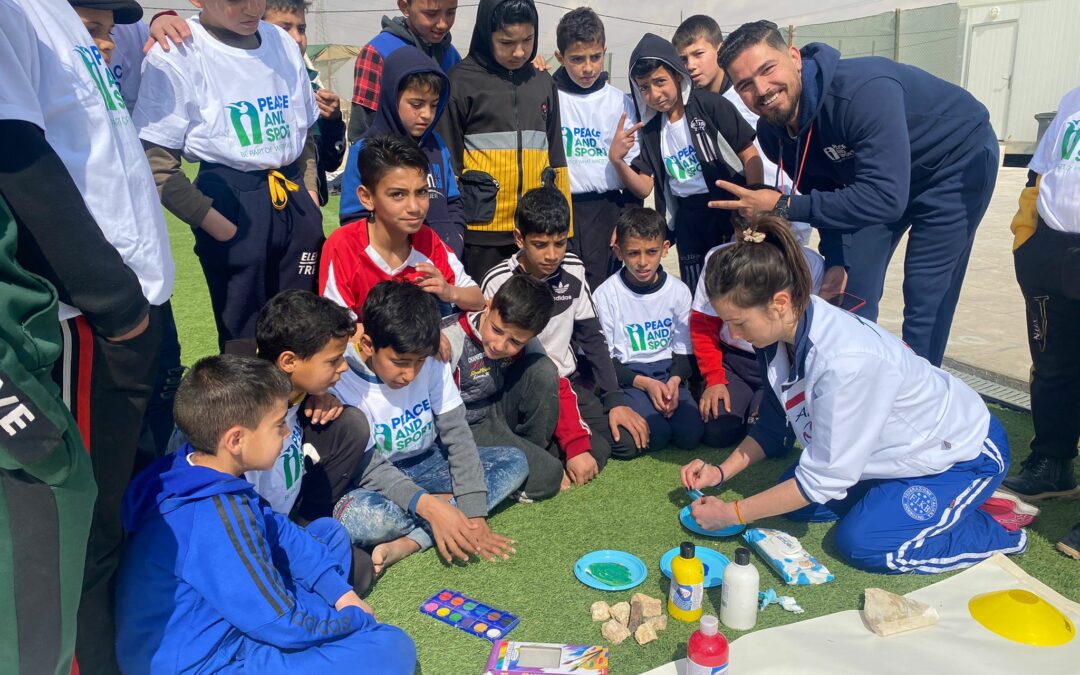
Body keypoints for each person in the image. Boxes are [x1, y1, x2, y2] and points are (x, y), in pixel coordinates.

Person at [680, 214, 1026, 574]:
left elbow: (821, 479)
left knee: (862, 543)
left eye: (739, 322)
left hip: (959, 454)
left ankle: (995, 528)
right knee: (792, 499)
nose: (733, 335)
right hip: (888, 454)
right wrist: (721, 473)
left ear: (779, 302)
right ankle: (910, 503)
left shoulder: (844, 361)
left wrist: (732, 513)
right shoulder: (779, 334)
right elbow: (771, 424)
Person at [3, 0, 176, 670]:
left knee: (107, 528)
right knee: (75, 536)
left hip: (127, 308)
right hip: (88, 320)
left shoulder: (65, 17)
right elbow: (16, 159)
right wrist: (115, 305)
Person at [714, 20, 1000, 367]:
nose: (761, 89)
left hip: (952, 162)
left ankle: (917, 400)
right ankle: (851, 380)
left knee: (925, 293)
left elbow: (885, 198)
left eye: (767, 69)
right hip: (875, 181)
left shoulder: (862, 92)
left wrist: (783, 205)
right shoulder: (775, 134)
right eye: (745, 84)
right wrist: (837, 259)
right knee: (849, 292)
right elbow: (828, 194)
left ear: (794, 56)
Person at [115, 356, 417, 674]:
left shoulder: (196, 468)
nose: (287, 433)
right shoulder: (215, 516)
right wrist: (355, 620)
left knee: (329, 533)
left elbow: (280, 532)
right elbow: (279, 620)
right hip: (209, 662)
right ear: (235, 440)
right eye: (277, 425)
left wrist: (341, 594)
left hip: (229, 622)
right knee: (391, 648)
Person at [134, 0, 322, 351]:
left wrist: (308, 194)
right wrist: (213, 222)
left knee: (305, 324)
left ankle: (304, 404)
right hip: (230, 197)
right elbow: (155, 162)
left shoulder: (281, 42)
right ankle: (252, 406)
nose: (252, 8)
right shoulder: (179, 51)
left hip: (290, 190)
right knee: (243, 336)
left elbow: (305, 131)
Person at [333, 281, 528, 574]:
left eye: (418, 362)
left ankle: (413, 540)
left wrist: (474, 515)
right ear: (368, 345)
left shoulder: (433, 359)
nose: (410, 374)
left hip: (429, 464)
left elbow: (457, 436)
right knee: (358, 520)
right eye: (399, 362)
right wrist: (431, 507)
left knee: (515, 463)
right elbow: (369, 468)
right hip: (374, 482)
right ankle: (443, 512)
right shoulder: (342, 376)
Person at [482, 181, 650, 473]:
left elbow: (593, 339)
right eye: (540, 244)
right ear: (519, 238)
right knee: (592, 449)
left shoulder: (573, 269)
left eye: (559, 243)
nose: (552, 255)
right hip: (524, 392)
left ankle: (560, 448)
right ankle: (547, 451)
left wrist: (615, 401)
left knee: (625, 443)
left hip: (569, 384)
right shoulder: (497, 281)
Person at [616, 33, 763, 292]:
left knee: (738, 285)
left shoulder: (711, 105)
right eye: (644, 88)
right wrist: (616, 160)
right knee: (699, 290)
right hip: (688, 220)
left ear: (678, 75)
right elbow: (643, 187)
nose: (655, 93)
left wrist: (753, 203)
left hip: (728, 209)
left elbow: (750, 155)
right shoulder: (650, 129)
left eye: (660, 81)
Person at [1001, 88, 1080, 559]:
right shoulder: (1074, 99)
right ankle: (1054, 463)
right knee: (1053, 365)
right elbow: (1043, 171)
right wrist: (1027, 240)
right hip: (1052, 249)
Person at [440, 0, 573, 280]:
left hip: (535, 232)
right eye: (506, 42)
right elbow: (447, 163)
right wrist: (449, 230)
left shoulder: (543, 83)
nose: (519, 51)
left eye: (528, 40)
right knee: (486, 316)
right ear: (485, 35)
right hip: (481, 233)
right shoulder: (460, 82)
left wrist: (564, 228)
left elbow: (557, 157)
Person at [690, 197, 825, 448]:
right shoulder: (719, 259)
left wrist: (794, 383)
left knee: (774, 440)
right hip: (734, 363)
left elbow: (807, 331)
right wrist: (714, 378)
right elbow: (702, 324)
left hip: (782, 360)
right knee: (718, 430)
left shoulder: (809, 264)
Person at [671, 14, 810, 245]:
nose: (691, 65)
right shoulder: (703, 106)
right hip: (745, 215)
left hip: (781, 211)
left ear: (720, 49)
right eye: (683, 59)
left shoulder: (751, 96)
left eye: (698, 54)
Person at [320, 134, 483, 317]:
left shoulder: (428, 240)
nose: (414, 207)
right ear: (366, 198)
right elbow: (336, 330)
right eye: (398, 195)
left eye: (421, 192)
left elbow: (477, 299)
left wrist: (450, 291)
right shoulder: (343, 246)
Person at [443, 274, 569, 500]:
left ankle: (531, 453)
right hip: (465, 426)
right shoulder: (449, 341)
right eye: (497, 330)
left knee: (544, 369)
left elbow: (550, 383)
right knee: (549, 476)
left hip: (499, 412)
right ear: (488, 306)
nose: (500, 345)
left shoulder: (528, 340)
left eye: (516, 342)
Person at [593, 207, 703, 453]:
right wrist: (647, 384)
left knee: (690, 434)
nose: (642, 262)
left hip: (668, 373)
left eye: (651, 252)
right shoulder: (605, 295)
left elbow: (684, 351)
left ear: (665, 248)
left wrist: (674, 382)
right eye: (633, 253)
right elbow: (606, 360)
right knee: (657, 434)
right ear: (619, 252)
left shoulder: (679, 291)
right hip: (630, 376)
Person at [339, 46, 466, 257]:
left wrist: (455, 237)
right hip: (389, 271)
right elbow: (353, 217)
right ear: (391, 95)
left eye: (434, 105)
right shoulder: (365, 149)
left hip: (441, 263)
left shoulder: (438, 145)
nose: (427, 114)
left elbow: (453, 201)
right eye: (416, 104)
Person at [552, 6, 641, 289]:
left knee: (602, 290)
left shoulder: (620, 103)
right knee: (561, 291)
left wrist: (626, 220)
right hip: (562, 208)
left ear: (604, 50)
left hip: (608, 211)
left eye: (595, 57)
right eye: (577, 59)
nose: (587, 67)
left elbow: (634, 169)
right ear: (559, 57)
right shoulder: (548, 96)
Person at [264, 0, 347, 207]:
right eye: (285, 28)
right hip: (266, 212)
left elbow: (330, 163)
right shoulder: (244, 88)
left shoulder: (312, 89)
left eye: (301, 29)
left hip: (308, 214)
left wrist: (333, 121)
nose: (297, 38)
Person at [348, 0, 461, 142]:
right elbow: (362, 131)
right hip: (390, 159)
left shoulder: (452, 57)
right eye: (431, 13)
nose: (443, 24)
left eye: (450, 12)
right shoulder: (378, 52)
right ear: (405, 6)